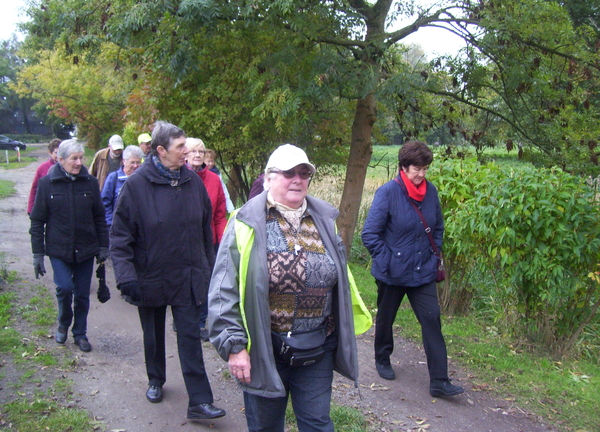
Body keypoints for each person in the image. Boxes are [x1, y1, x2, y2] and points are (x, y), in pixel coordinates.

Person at [208, 144, 372, 432]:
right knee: (266, 426)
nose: (297, 179)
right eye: (288, 172)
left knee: (318, 423)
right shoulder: (245, 223)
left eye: (304, 172)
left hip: (316, 346)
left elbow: (339, 280)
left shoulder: (324, 221)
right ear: (269, 178)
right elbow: (224, 291)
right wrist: (234, 347)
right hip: (265, 348)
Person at [109, 121, 225, 421]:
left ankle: (200, 401)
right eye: (180, 147)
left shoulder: (193, 182)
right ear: (160, 151)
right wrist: (126, 277)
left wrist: (207, 269)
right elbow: (120, 236)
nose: (187, 152)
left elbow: (204, 229)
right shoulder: (137, 185)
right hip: (150, 275)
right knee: (154, 335)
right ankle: (155, 379)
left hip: (187, 275)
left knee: (190, 336)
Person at [361, 140, 464, 397]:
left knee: (432, 320)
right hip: (392, 273)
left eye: (425, 168)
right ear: (404, 167)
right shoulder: (388, 192)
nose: (421, 174)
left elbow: (437, 227)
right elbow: (370, 234)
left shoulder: (431, 192)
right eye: (416, 168)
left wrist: (434, 253)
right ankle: (382, 358)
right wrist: (389, 261)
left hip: (423, 271)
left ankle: (439, 381)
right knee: (386, 318)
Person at [29, 139, 109, 353]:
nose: (78, 162)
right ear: (60, 159)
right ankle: (64, 322)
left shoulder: (90, 183)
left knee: (82, 294)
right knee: (64, 288)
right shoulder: (47, 184)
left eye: (81, 158)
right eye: (74, 158)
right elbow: (37, 220)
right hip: (59, 249)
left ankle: (80, 333)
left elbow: (100, 217)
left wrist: (103, 246)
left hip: (85, 248)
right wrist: (38, 253)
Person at [185, 137, 227, 340]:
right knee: (185, 282)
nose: (197, 155)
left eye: (201, 152)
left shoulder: (213, 180)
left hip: (207, 241)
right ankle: (183, 318)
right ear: (185, 154)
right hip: (183, 241)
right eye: (193, 151)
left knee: (206, 282)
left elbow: (219, 214)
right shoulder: (178, 177)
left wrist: (222, 242)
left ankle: (201, 323)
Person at [101, 145, 144, 226]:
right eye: (132, 162)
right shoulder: (113, 178)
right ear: (124, 161)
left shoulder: (143, 179)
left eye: (138, 162)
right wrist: (111, 224)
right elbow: (105, 203)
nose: (135, 166)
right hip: (118, 227)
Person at [27, 138, 61, 215]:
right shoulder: (42, 168)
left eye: (61, 153)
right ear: (50, 153)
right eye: (56, 153)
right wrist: (30, 208)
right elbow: (34, 188)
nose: (59, 156)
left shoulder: (67, 167)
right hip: (45, 205)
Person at [204, 148, 235, 213]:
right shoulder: (199, 174)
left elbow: (223, 189)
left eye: (212, 161)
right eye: (208, 161)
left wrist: (230, 207)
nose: (211, 163)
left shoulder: (217, 174)